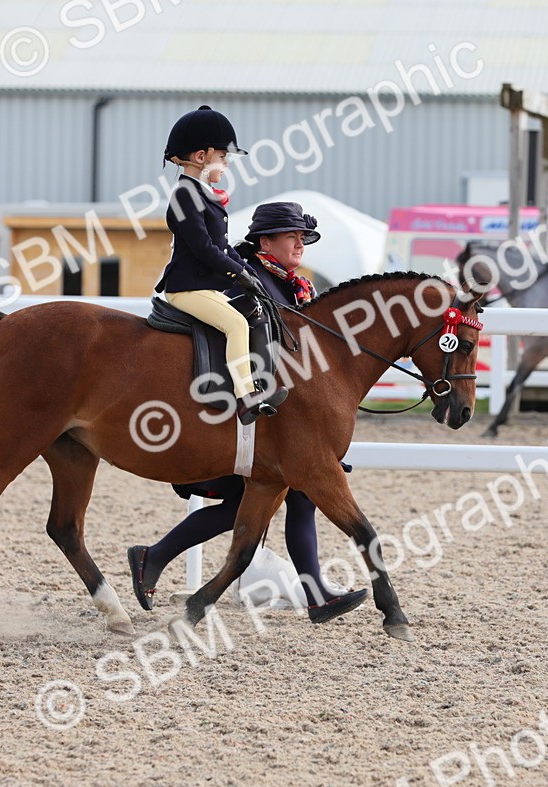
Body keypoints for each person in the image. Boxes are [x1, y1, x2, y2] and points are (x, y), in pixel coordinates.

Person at [129, 202, 369, 624]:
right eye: (291, 235)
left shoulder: (299, 287)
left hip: (287, 421)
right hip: (239, 411)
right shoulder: (245, 282)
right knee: (260, 501)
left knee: (292, 500)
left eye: (302, 236)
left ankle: (156, 556)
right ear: (265, 241)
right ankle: (157, 555)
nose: (300, 243)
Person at [154, 105, 287, 424]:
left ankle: (263, 381)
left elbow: (224, 245)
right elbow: (203, 247)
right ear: (201, 156)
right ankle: (246, 398)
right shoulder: (185, 195)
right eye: (223, 158)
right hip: (187, 287)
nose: (227, 165)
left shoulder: (203, 194)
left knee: (254, 312)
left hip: (205, 286)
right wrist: (237, 272)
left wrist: (249, 270)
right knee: (235, 324)